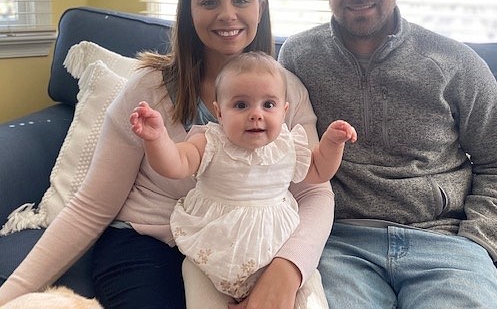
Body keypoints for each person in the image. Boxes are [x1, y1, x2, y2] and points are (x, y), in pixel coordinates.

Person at [0, 0, 335, 309]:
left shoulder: (286, 89)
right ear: (189, 11)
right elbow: (91, 206)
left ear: (260, 7)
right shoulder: (148, 88)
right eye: (209, 1)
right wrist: (2, 301)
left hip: (246, 247)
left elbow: (315, 193)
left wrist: (286, 271)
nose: (227, 14)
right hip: (147, 242)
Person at [277, 0, 497, 308]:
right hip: (340, 242)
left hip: (444, 243)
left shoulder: (456, 62)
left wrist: (479, 238)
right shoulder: (297, 56)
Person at [130, 51, 357, 308]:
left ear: (284, 111)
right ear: (219, 112)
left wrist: (332, 143)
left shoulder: (288, 144)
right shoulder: (210, 142)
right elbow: (175, 164)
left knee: (311, 296)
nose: (256, 114)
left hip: (275, 254)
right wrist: (157, 139)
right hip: (211, 255)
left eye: (268, 105)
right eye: (241, 105)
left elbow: (319, 170)